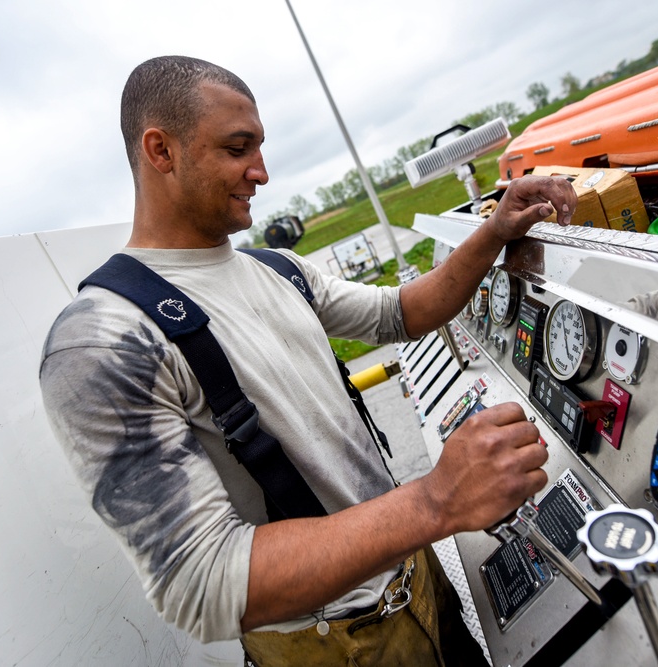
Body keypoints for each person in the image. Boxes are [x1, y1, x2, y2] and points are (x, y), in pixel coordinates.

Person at [39, 55, 576, 666]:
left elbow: (400, 312)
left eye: (260, 146)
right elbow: (202, 582)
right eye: (238, 148)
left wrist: (494, 231)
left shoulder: (279, 269)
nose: (261, 172)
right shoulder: (105, 339)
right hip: (330, 646)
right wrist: (436, 500)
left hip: (418, 581)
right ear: (160, 151)